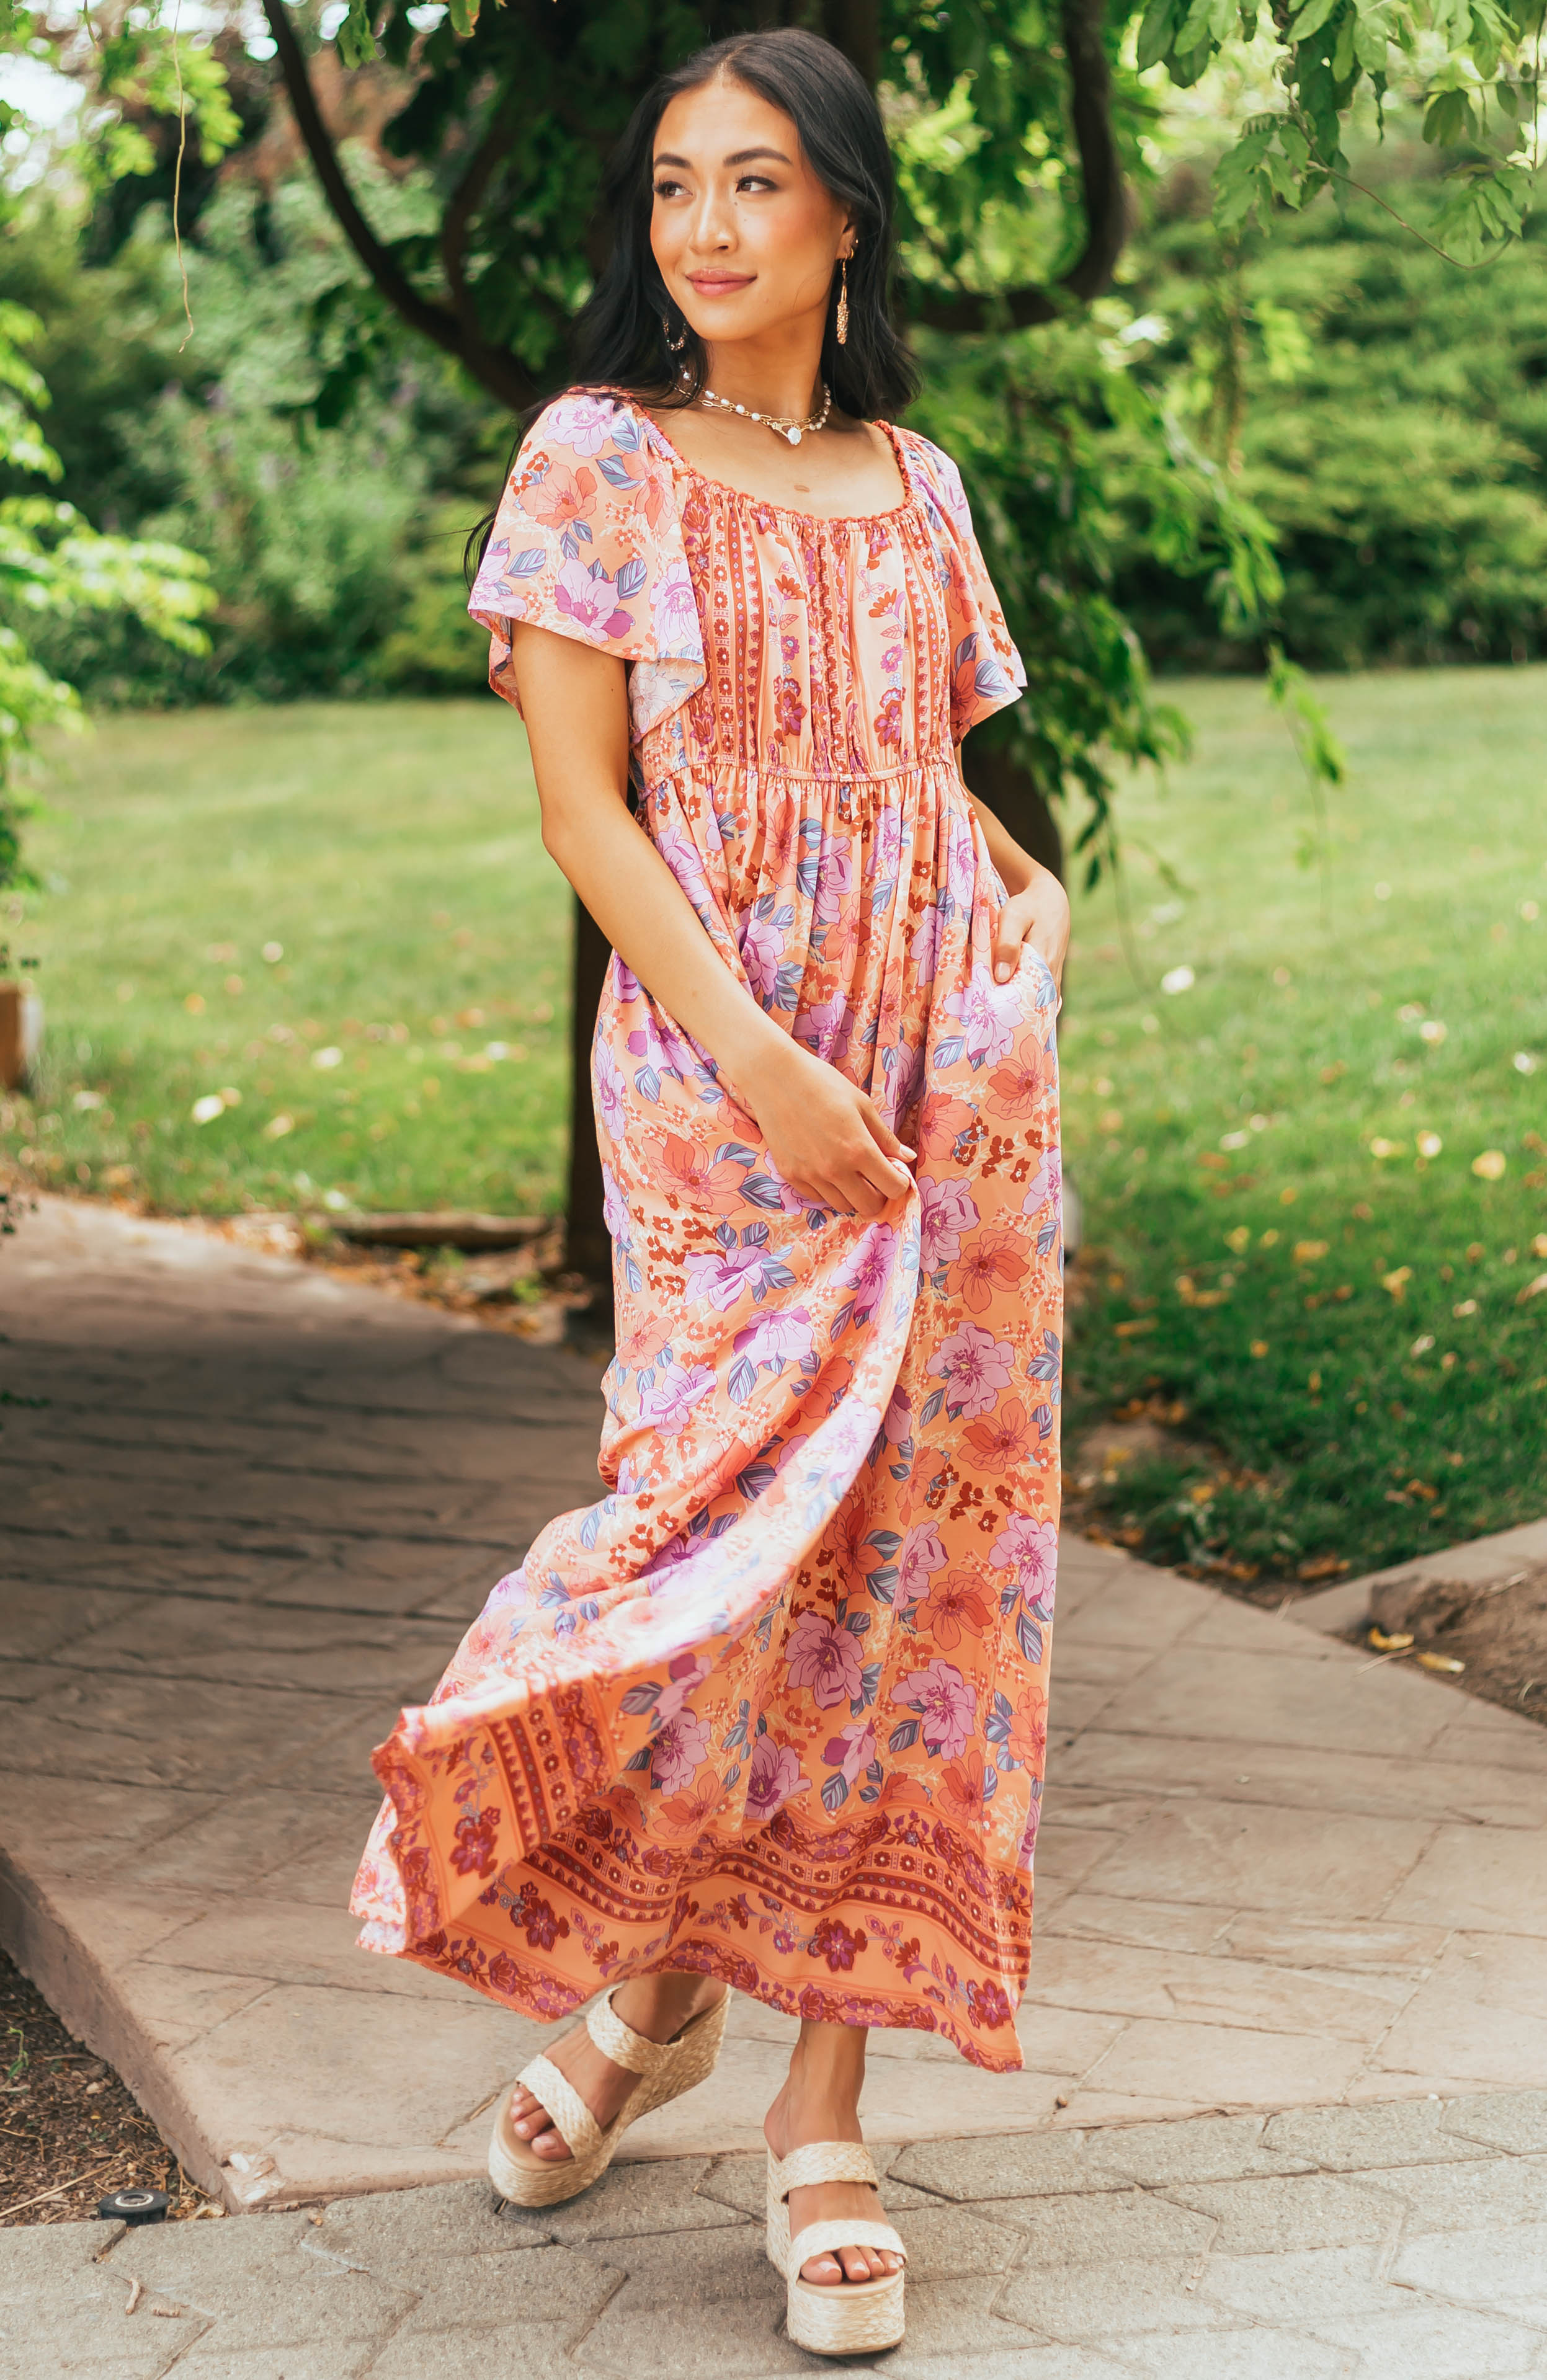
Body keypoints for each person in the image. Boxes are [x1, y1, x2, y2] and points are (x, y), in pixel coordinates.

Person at [350, 25, 1068, 2357]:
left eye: (756, 182)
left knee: (913, 1570)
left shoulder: (922, 485)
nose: (707, 226)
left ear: (845, 215)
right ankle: (651, 1991)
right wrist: (760, 1064)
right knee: (706, 1542)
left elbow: (934, 788)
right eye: (675, 184)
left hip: (947, 1081)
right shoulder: (597, 455)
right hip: (716, 1077)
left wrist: (1031, 893)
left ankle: (818, 2107)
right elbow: (588, 810)